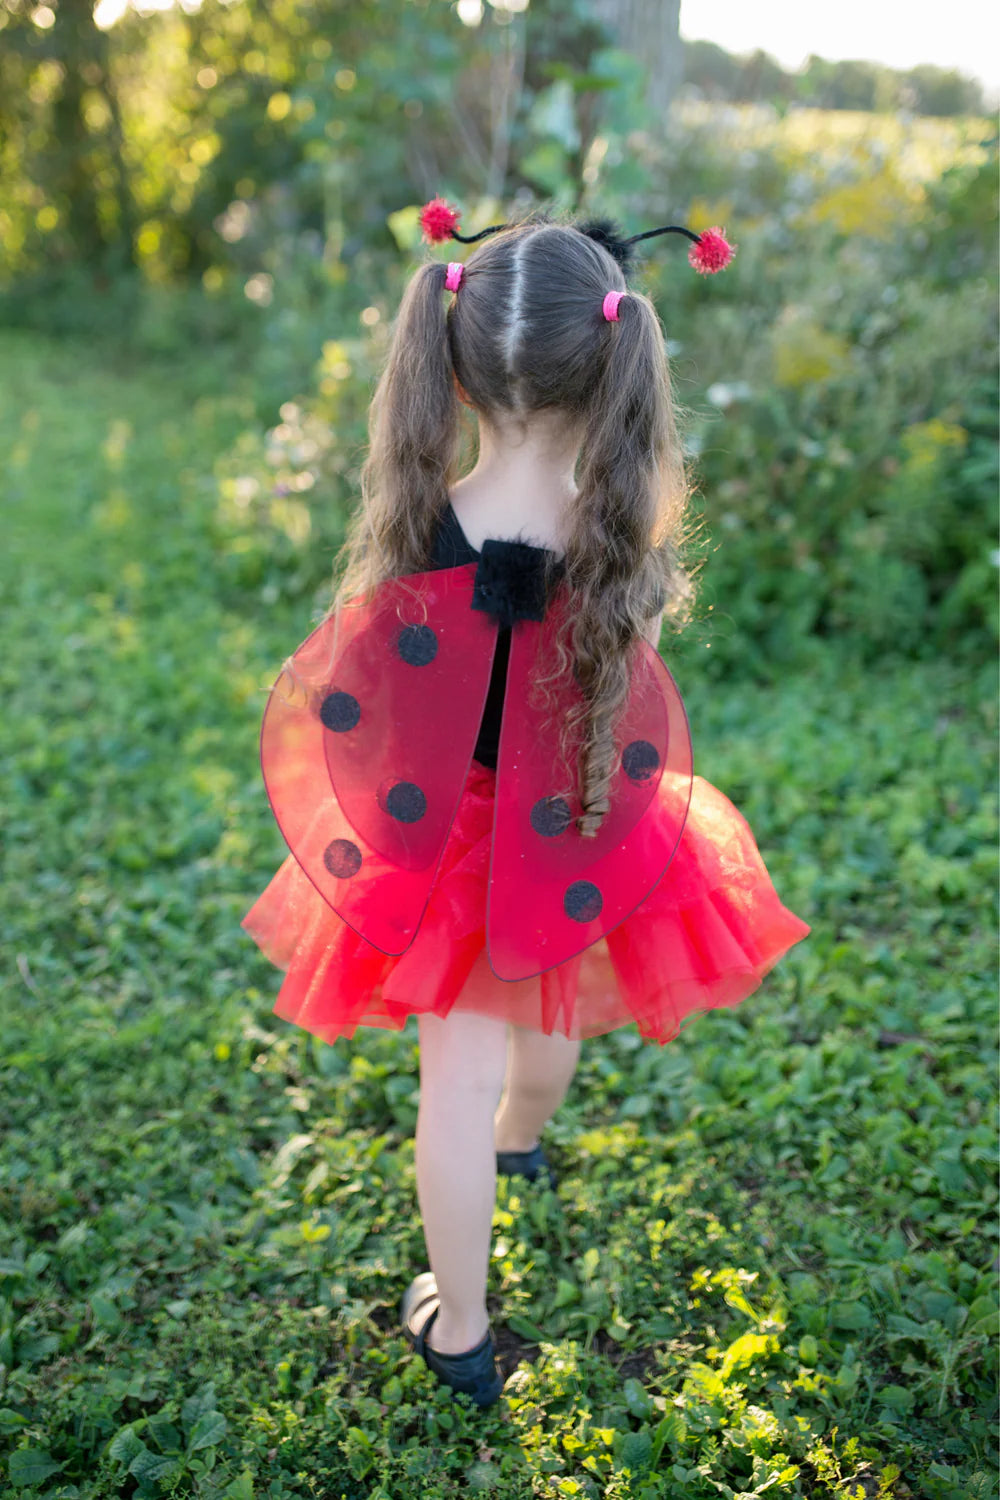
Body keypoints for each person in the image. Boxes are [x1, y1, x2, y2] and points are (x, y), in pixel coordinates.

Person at [242, 200, 811, 1409]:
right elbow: (633, 691)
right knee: (547, 979)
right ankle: (523, 1138)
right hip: (580, 824)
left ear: (449, 360)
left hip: (445, 830)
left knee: (450, 1074)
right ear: (611, 361)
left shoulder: (423, 515)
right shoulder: (620, 536)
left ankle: (458, 1323)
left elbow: (386, 693)